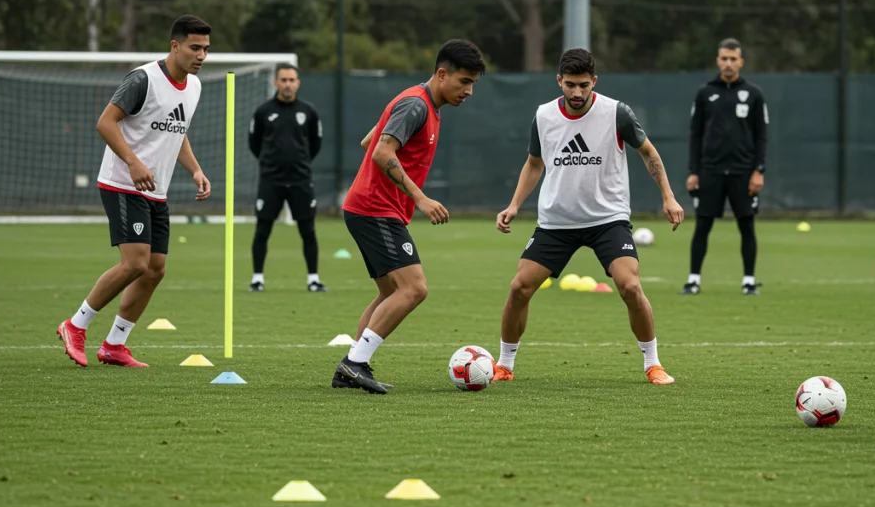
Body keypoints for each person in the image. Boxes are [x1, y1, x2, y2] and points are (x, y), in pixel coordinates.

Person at [493, 48, 685, 385]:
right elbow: (534, 163)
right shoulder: (543, 116)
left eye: (584, 85)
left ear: (594, 81)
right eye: (570, 85)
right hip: (556, 223)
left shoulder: (616, 113)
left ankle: (653, 364)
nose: (577, 93)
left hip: (607, 220)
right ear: (559, 82)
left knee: (629, 286)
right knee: (519, 288)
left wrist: (668, 197)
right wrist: (514, 205)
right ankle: (504, 365)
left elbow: (649, 153)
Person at [57, 15, 213, 368]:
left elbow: (176, 131)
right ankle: (74, 324)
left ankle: (114, 345)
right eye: (194, 47)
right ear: (174, 45)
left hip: (156, 190)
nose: (201, 55)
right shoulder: (143, 79)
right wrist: (132, 162)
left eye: (206, 49)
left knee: (155, 269)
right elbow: (105, 122)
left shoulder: (194, 86)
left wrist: (196, 169)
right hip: (123, 184)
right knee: (136, 263)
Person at [332, 39, 485, 394]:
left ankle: (353, 368)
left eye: (474, 83)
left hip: (371, 208)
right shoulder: (417, 104)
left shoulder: (420, 103)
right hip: (375, 209)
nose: (470, 91)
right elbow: (380, 151)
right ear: (442, 74)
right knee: (414, 288)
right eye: (464, 81)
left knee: (390, 292)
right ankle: (353, 364)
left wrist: (387, 131)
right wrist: (420, 199)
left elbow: (370, 140)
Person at [681, 38, 768, 296]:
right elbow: (695, 134)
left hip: (743, 172)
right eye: (724, 59)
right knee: (703, 225)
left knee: (746, 225)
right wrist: (694, 170)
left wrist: (758, 170)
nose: (728, 64)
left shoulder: (754, 94)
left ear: (741, 62)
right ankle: (693, 279)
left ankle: (749, 281)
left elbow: (761, 135)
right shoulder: (705, 93)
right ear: (717, 60)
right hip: (711, 171)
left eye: (733, 59)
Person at [247, 64, 325, 292]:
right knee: (263, 229)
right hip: (271, 180)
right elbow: (255, 144)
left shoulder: (309, 112)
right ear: (276, 82)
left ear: (298, 83)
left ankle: (313, 279)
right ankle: (257, 279)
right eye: (283, 80)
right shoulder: (263, 112)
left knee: (308, 229)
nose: (288, 84)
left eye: (292, 80)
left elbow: (315, 144)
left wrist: (299, 162)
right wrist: (271, 163)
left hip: (301, 180)